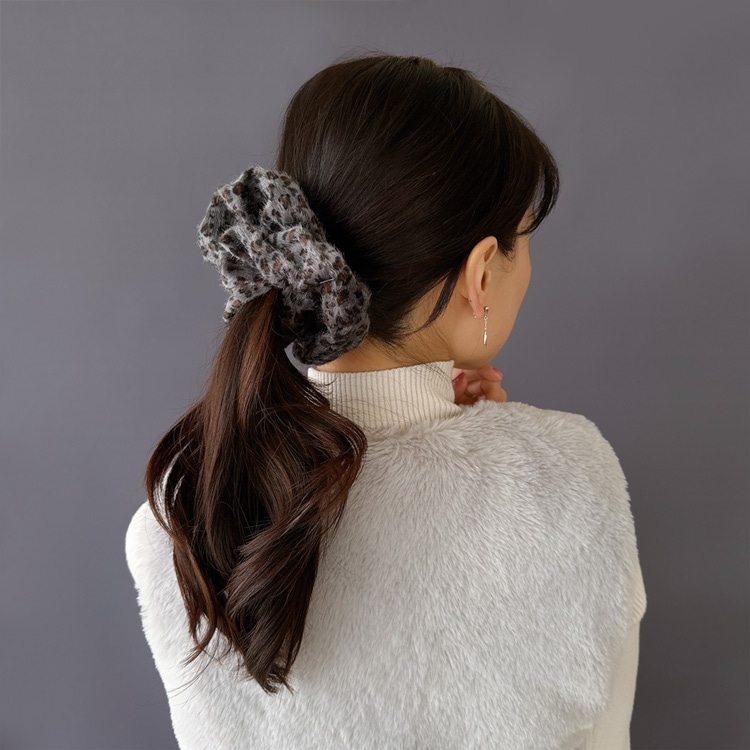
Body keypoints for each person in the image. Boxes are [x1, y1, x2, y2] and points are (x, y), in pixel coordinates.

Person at [125, 51, 647, 749]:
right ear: (479, 274)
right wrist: (513, 458)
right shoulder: (572, 482)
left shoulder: (184, 517)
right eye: (522, 242)